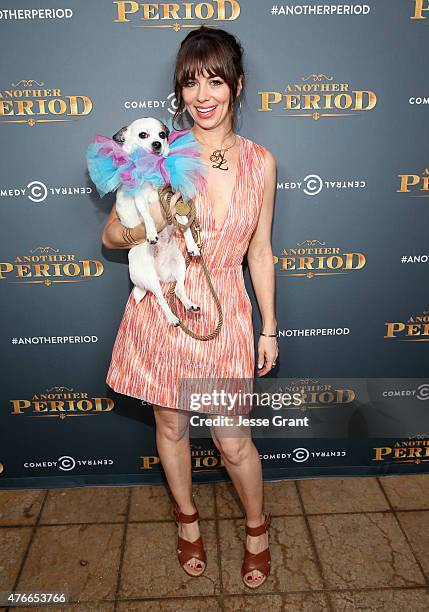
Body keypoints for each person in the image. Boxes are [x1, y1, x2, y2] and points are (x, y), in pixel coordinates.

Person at [102, 26, 278, 589]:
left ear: (237, 86)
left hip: (226, 310)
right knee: (171, 427)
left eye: (216, 80)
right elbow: (111, 235)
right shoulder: (159, 153)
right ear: (179, 91)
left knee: (231, 440)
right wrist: (154, 224)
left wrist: (268, 328)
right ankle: (187, 521)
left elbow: (261, 251)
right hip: (166, 307)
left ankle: (258, 528)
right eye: (191, 82)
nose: (203, 94)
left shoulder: (261, 163)